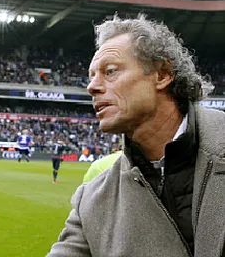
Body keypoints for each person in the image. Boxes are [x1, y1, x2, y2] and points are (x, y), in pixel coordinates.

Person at [48, 14, 222, 257]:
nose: (92, 87)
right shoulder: (91, 201)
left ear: (162, 74)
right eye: (91, 76)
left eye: (109, 71)